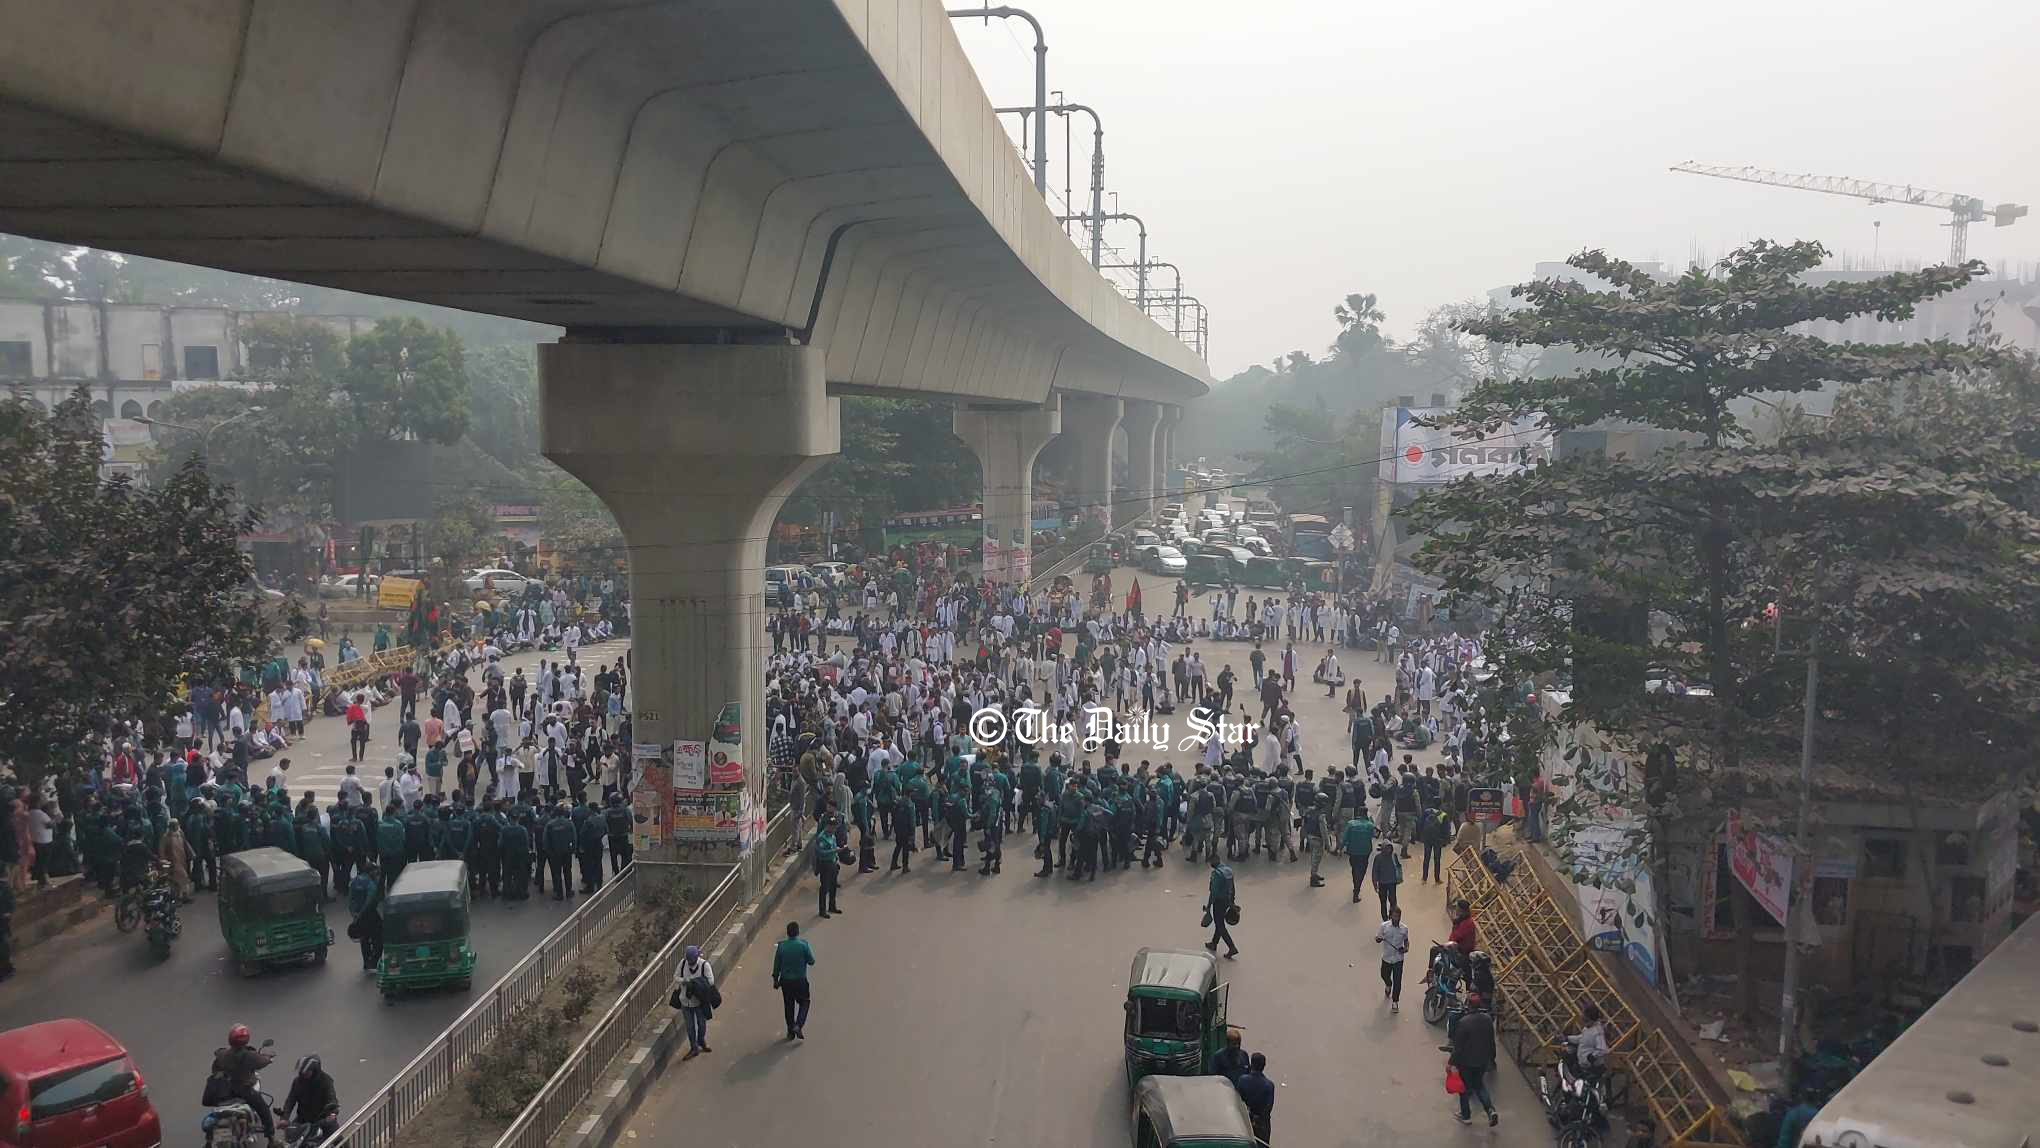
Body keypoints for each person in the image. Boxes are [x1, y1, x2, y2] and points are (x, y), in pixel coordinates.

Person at [210, 1024, 276, 1145]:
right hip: (244, 1090)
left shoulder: (223, 1054)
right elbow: (262, 1062)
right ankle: (271, 1138)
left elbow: (216, 1065)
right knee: (264, 1109)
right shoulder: (249, 1056)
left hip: (226, 1090)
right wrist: (269, 1059)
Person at [1449, 995, 1499, 1126]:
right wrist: (1491, 1059)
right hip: (1482, 1060)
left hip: (1466, 1062)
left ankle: (1465, 1116)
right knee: (1479, 1085)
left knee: (1463, 1089)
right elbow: (1491, 1042)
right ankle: (1490, 1110)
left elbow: (1458, 1047)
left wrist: (1451, 1063)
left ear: (1468, 1005)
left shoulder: (1464, 1022)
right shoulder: (1488, 1019)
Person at [277, 1054, 340, 1140]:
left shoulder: (326, 1081)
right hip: (303, 1120)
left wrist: (332, 1114)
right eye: (302, 1073)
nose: (304, 1075)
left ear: (315, 1071)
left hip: (323, 1120)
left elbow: (331, 1098)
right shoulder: (297, 1082)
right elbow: (290, 1101)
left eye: (307, 1072)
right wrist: (284, 1118)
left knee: (339, 1138)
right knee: (289, 1138)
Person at [771, 920, 816, 1040]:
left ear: (787, 933)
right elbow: (811, 961)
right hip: (800, 981)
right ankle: (798, 1025)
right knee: (805, 1002)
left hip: (786, 982)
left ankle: (790, 1031)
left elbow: (776, 966)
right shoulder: (803, 945)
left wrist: (775, 979)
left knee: (788, 1006)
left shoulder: (781, 946)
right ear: (797, 932)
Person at [673, 944, 715, 1060]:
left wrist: (695, 983)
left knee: (702, 1024)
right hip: (685, 1001)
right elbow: (676, 977)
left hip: (699, 1002)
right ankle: (694, 1048)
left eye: (692, 960)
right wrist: (685, 981)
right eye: (688, 960)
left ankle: (701, 1040)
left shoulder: (704, 965)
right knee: (690, 1027)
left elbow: (711, 981)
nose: (690, 963)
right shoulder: (682, 964)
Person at [1202, 854, 1239, 959]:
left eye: (1210, 863)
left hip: (1218, 902)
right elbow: (1233, 887)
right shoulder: (1229, 870)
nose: (1210, 865)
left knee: (1220, 925)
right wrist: (1232, 902)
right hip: (1227, 901)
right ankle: (1214, 943)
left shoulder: (1216, 874)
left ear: (1214, 861)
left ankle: (1232, 947)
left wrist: (1209, 906)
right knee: (1219, 922)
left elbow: (1213, 892)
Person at [1375, 904, 1409, 1013]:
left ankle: (1395, 1002)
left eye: (1398, 917)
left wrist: (1406, 948)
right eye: (1394, 916)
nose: (1396, 919)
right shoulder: (1383, 926)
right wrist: (1378, 939)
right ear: (1391, 916)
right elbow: (1378, 937)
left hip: (1398, 959)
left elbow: (1406, 941)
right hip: (1387, 957)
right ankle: (1388, 984)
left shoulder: (1404, 928)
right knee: (1384, 975)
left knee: (1397, 981)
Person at [1235, 1052, 1275, 1144]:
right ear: (1264, 1066)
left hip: (1245, 1121)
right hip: (1262, 1124)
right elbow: (1268, 1108)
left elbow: (1238, 1100)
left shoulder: (1242, 1080)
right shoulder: (1269, 1085)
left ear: (1251, 1064)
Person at [1340, 810, 1376, 903]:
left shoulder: (1350, 824)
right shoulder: (1370, 825)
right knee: (1362, 870)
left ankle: (1355, 886)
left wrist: (1340, 848)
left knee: (1354, 869)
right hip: (1365, 852)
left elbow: (1344, 838)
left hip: (1353, 851)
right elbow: (1374, 834)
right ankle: (1357, 889)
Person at [1371, 840, 1402, 918]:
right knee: (1383, 902)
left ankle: (1392, 917)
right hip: (1382, 883)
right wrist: (1375, 884)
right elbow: (1375, 871)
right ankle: (1385, 918)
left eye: (1389, 848)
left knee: (1393, 902)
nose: (1388, 850)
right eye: (1386, 848)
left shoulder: (1393, 856)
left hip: (1392, 882)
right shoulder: (1378, 858)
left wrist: (1399, 878)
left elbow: (1398, 867)